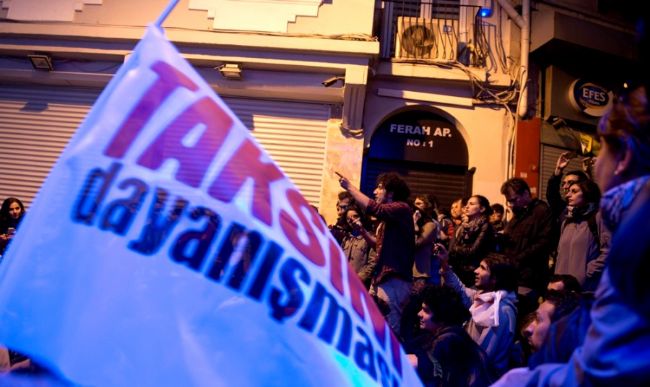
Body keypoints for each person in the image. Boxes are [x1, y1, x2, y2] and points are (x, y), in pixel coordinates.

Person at [494, 84, 650, 385]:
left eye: (602, 149)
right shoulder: (626, 219)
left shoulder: (637, 231)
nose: (597, 164)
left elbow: (603, 369)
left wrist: (517, 381)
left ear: (623, 158)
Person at [338, 172, 415, 335]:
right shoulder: (389, 218)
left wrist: (350, 187)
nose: (375, 191)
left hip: (394, 280)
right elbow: (378, 246)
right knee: (371, 322)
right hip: (381, 278)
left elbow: (376, 209)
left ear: (391, 192)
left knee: (389, 329)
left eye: (379, 188)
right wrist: (363, 232)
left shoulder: (402, 208)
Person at [438, 247, 518, 377]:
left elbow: (484, 354)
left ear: (495, 279)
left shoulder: (500, 311)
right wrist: (445, 264)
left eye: (482, 268)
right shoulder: (486, 298)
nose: (476, 271)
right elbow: (461, 291)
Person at [406, 285, 495, 387]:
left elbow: (429, 367)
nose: (419, 314)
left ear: (441, 315)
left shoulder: (449, 339)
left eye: (426, 311)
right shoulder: (448, 333)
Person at [500, 178, 554, 317]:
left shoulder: (542, 211)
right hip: (512, 274)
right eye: (509, 201)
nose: (511, 204)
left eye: (514, 199)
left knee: (523, 317)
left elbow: (544, 242)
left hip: (529, 276)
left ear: (525, 193)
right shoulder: (519, 213)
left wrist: (517, 259)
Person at [554, 180, 610, 290]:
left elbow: (609, 251)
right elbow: (560, 253)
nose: (568, 195)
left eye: (574, 192)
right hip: (561, 290)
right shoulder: (567, 221)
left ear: (587, 194)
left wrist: (589, 272)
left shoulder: (599, 218)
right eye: (569, 191)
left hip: (585, 289)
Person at [449, 195, 494, 287]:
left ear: (482, 209)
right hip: (459, 270)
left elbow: (473, 251)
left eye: (472, 204)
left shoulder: (486, 226)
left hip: (473, 272)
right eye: (467, 204)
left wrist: (456, 248)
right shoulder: (465, 225)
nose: (467, 206)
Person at [341, 205, 377, 288]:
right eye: (348, 218)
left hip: (360, 285)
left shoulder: (369, 238)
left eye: (355, 216)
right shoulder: (346, 238)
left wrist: (359, 278)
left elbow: (372, 263)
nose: (352, 220)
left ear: (362, 217)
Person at [412, 194, 440, 286]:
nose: (415, 206)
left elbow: (415, 244)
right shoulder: (417, 222)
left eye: (419, 203)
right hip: (408, 270)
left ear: (428, 207)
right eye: (415, 203)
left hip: (419, 273)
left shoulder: (430, 225)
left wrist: (414, 225)